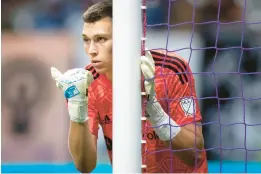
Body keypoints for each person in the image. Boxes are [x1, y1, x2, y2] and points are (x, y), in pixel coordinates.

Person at [50, 0, 208, 173]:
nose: (92, 50)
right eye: (86, 40)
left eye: (101, 39)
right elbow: (85, 166)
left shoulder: (172, 69)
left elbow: (194, 155)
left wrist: (155, 113)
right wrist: (77, 108)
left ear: (125, 38)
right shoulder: (86, 83)